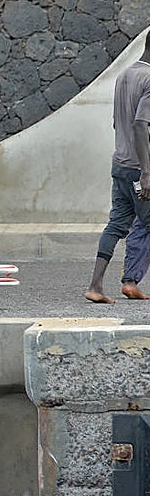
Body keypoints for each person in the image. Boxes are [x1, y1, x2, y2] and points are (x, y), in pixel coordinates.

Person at [86, 31, 150, 304]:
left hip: (120, 163)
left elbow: (117, 121)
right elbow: (140, 124)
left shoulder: (125, 75)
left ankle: (96, 286)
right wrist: (146, 172)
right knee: (146, 223)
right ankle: (130, 281)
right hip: (139, 167)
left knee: (117, 224)